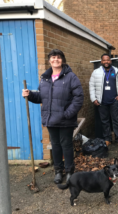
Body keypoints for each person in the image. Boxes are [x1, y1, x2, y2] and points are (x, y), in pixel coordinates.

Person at [22, 49, 84, 184]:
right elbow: (41, 96)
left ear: (63, 60)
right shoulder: (45, 78)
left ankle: (69, 172)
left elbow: (79, 97)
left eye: (59, 57)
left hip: (66, 119)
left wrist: (68, 114)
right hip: (50, 119)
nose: (56, 59)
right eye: (53, 57)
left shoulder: (70, 77)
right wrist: (30, 95)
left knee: (66, 145)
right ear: (49, 60)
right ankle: (58, 171)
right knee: (55, 146)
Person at [89, 54, 118, 148]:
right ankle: (107, 139)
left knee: (117, 121)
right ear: (101, 61)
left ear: (110, 61)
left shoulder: (117, 71)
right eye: (104, 60)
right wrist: (93, 99)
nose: (106, 62)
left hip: (114, 101)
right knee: (104, 121)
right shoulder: (96, 72)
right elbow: (91, 86)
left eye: (108, 60)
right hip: (101, 101)